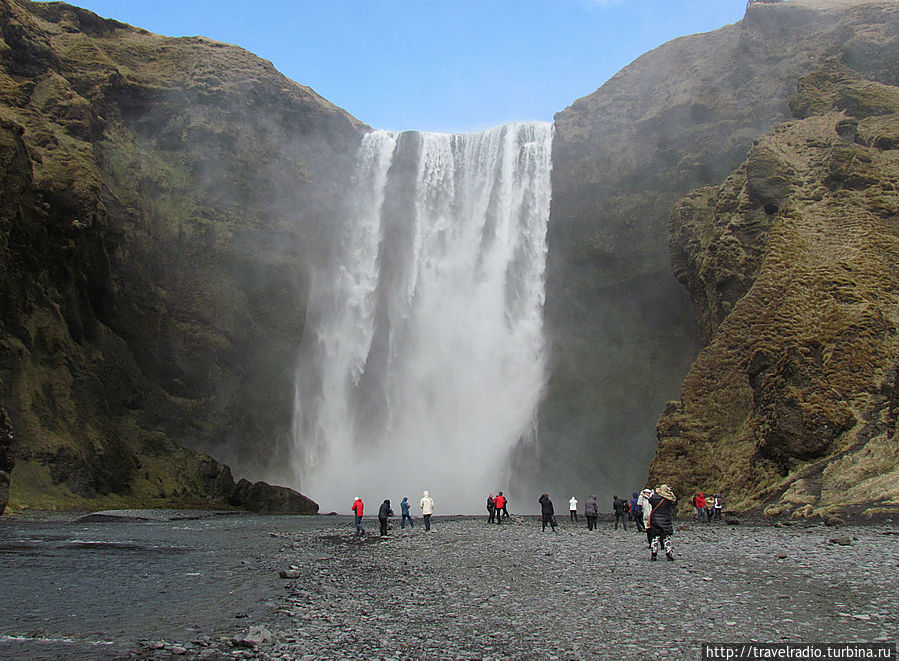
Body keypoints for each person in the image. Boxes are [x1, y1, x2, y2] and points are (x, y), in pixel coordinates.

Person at [647, 484, 677, 561]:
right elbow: (675, 501)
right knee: (666, 538)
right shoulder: (669, 499)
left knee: (655, 538)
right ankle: (668, 554)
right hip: (666, 520)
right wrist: (670, 493)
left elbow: (650, 500)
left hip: (655, 521)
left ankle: (654, 554)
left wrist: (656, 493)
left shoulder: (655, 498)